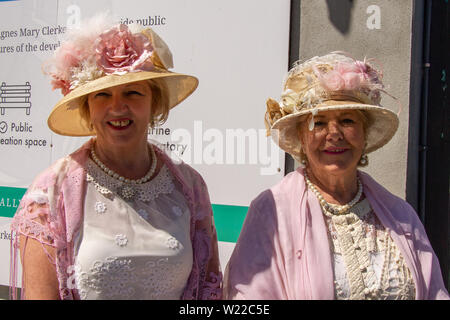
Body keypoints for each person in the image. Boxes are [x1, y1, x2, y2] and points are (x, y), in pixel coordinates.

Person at [10, 15, 222, 300]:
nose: (117, 106)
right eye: (102, 95)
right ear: (87, 108)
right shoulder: (49, 194)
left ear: (154, 103)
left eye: (132, 92)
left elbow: (208, 288)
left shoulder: (190, 185)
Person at [224, 52, 449, 300]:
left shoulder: (401, 216)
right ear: (301, 136)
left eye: (347, 120)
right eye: (318, 123)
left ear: (364, 133)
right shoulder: (272, 212)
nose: (334, 133)